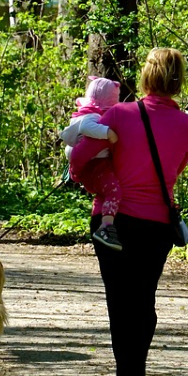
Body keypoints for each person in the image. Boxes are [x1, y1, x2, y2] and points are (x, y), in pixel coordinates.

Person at [69, 48, 188, 376]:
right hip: (157, 224)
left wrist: (89, 181)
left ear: (145, 77)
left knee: (119, 301)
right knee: (144, 300)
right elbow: (177, 170)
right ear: (178, 81)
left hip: (113, 221)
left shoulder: (118, 115)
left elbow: (78, 158)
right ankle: (135, 375)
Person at [60, 76, 124, 251]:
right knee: (114, 191)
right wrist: (108, 133)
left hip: (89, 166)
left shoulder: (84, 114)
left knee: (104, 193)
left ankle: (104, 222)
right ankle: (106, 227)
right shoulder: (92, 116)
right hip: (96, 165)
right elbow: (87, 128)